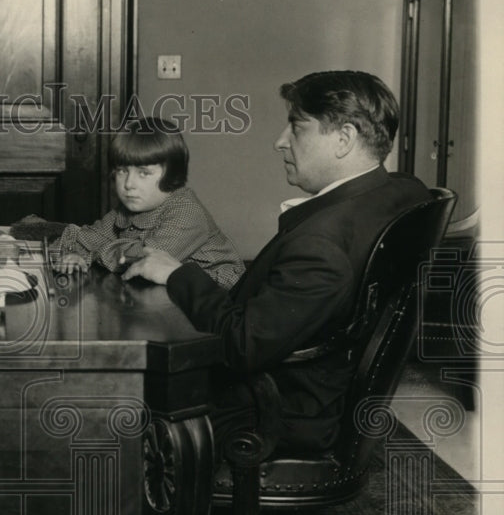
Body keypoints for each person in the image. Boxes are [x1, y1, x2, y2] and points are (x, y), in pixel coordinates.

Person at [124, 71, 430, 451]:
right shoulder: (402, 190)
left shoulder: (322, 244)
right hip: (308, 390)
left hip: (273, 412)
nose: (280, 142)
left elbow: (241, 345)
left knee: (112, 407)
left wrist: (177, 274)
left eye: (297, 128)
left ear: (344, 139)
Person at [53, 117, 245, 289]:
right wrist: (76, 256)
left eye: (143, 173)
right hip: (169, 290)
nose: (128, 184)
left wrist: (92, 253)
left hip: (218, 296)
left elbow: (145, 259)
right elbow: (84, 238)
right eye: (122, 170)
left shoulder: (187, 211)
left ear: (173, 174)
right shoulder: (129, 208)